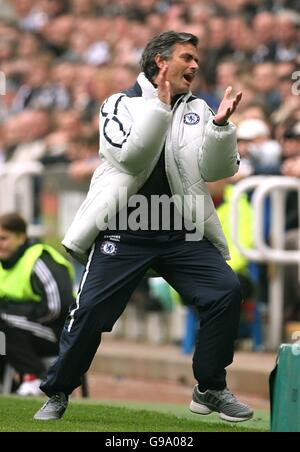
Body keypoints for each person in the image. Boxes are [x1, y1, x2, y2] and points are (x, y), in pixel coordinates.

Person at [34, 31, 253, 422]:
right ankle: (57, 391)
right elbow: (132, 158)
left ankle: (210, 388)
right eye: (187, 57)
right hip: (125, 228)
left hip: (180, 230)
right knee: (91, 313)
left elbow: (216, 170)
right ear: (160, 62)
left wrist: (220, 127)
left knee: (225, 290)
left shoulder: (198, 109)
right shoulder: (119, 104)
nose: (196, 65)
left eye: (197, 59)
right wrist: (159, 107)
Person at [0, 213, 75, 395]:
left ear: (21, 237)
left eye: (3, 238)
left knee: (3, 326)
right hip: (21, 330)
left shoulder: (39, 260)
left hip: (58, 333)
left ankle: (35, 378)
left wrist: (12, 313)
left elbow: (58, 307)